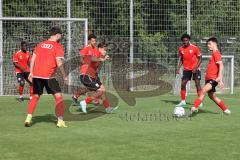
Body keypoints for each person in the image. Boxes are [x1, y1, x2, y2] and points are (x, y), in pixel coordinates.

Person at [24, 26, 68, 127]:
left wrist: (31, 72)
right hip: (49, 76)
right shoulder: (57, 46)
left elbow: (33, 60)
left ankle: (28, 118)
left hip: (37, 75)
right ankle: (60, 121)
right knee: (58, 97)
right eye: (60, 34)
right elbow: (58, 61)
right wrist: (64, 75)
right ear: (57, 35)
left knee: (35, 96)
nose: (61, 36)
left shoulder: (40, 45)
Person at [75, 34, 118, 113]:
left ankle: (108, 108)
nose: (105, 51)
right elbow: (92, 58)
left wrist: (103, 59)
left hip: (92, 75)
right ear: (100, 48)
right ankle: (84, 102)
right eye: (104, 50)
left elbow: (96, 64)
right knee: (100, 91)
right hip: (86, 75)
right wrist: (102, 59)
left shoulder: (98, 54)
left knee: (103, 90)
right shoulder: (95, 52)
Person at [191, 37, 231, 115]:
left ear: (215, 44)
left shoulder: (216, 53)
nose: (208, 46)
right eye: (208, 44)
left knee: (203, 90)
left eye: (210, 44)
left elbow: (221, 65)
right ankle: (225, 110)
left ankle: (195, 107)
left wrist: (219, 78)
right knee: (212, 96)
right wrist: (221, 80)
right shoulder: (214, 53)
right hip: (209, 79)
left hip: (213, 79)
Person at [176, 33, 202, 107]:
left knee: (197, 84)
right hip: (186, 69)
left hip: (195, 69)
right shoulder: (181, 48)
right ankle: (183, 101)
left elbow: (200, 58)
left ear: (189, 40)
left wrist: (195, 68)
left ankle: (199, 101)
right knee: (183, 84)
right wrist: (178, 68)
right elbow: (181, 59)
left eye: (186, 40)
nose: (185, 42)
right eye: (183, 40)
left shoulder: (195, 47)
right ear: (182, 41)